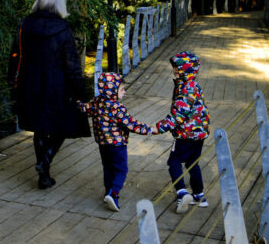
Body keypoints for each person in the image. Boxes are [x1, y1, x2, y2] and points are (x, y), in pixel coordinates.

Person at [7, 0, 92, 189]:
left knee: (39, 127)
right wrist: (82, 92)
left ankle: (44, 175)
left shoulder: (24, 25)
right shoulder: (63, 29)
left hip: (30, 83)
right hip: (57, 85)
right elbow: (72, 64)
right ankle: (44, 162)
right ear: (60, 3)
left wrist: (12, 80)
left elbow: (15, 54)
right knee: (64, 124)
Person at [78, 72, 155, 212]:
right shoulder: (117, 107)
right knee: (121, 169)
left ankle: (108, 193)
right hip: (117, 145)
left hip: (102, 143)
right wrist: (149, 129)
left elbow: (85, 109)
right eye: (121, 89)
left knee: (108, 168)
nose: (124, 92)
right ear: (112, 90)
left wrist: (77, 103)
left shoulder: (96, 101)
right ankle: (114, 193)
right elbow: (131, 124)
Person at [155, 51, 211, 213]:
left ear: (186, 71)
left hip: (186, 133)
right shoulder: (192, 85)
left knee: (173, 161)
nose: (174, 71)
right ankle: (199, 195)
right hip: (199, 133)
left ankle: (182, 193)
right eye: (174, 68)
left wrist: (159, 127)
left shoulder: (186, 88)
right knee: (192, 162)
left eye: (177, 69)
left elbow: (179, 114)